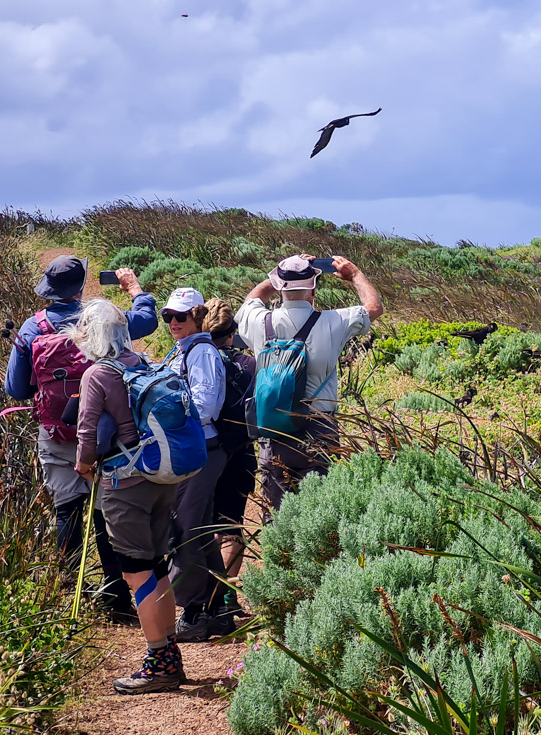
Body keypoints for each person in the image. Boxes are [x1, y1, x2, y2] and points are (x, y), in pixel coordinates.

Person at [4, 255, 156, 622]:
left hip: (57, 432)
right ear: (83, 283)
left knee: (67, 511)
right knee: (106, 515)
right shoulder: (103, 320)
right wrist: (134, 288)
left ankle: (67, 592)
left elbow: (16, 390)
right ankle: (117, 600)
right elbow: (148, 320)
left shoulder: (31, 327)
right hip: (107, 433)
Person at [68, 299, 183, 694]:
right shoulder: (145, 362)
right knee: (158, 565)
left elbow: (85, 433)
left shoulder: (98, 373)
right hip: (159, 475)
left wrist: (84, 467)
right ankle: (169, 652)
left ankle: (159, 665)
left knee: (136, 572)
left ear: (90, 335)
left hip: (124, 482)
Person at [237, 254, 382, 510]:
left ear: (279, 287)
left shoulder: (259, 321)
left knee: (276, 517)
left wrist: (276, 275)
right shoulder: (334, 321)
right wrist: (355, 275)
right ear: (313, 289)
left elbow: (252, 300)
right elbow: (374, 307)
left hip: (274, 430)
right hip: (319, 429)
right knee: (319, 514)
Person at [158, 287, 232, 641]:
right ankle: (220, 608)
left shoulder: (201, 352)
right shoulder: (186, 349)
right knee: (199, 530)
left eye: (180, 316)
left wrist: (164, 415)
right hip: (198, 450)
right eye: (167, 316)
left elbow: (204, 407)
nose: (173, 322)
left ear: (198, 316)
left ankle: (193, 612)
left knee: (183, 531)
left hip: (198, 450)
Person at [202, 298, 257, 617]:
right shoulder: (248, 365)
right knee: (231, 526)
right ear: (232, 333)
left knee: (202, 526)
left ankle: (208, 598)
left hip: (204, 453)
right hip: (239, 454)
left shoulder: (196, 360)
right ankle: (229, 598)